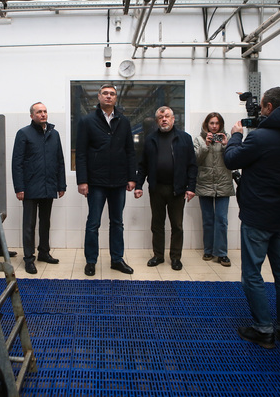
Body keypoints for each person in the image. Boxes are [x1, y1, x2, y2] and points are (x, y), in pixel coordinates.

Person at [224, 87, 280, 349]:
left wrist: (236, 136)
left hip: (258, 216)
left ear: (269, 107)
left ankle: (263, 329)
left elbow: (231, 160)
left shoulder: (260, 137)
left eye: (262, 106)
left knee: (252, 274)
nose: (259, 110)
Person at [76, 83, 137, 276]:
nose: (108, 96)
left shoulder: (124, 121)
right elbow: (81, 153)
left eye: (112, 94)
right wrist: (82, 180)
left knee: (117, 222)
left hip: (119, 181)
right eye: (105, 93)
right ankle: (91, 261)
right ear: (99, 97)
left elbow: (130, 151)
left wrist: (132, 177)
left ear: (116, 98)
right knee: (93, 223)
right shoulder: (87, 121)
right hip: (96, 182)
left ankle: (117, 259)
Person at [134, 106, 197, 271]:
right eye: (161, 117)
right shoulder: (150, 139)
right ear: (157, 121)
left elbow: (192, 165)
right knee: (157, 225)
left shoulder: (184, 138)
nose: (164, 119)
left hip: (178, 189)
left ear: (173, 119)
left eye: (167, 116)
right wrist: (139, 185)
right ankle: (158, 256)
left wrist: (191, 187)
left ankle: (175, 258)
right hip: (156, 188)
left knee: (177, 225)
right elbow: (143, 165)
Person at [12, 102, 66, 274]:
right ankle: (29, 258)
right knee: (29, 225)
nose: (43, 114)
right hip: (29, 187)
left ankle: (44, 252)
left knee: (45, 222)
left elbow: (60, 160)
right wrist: (19, 187)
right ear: (32, 116)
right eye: (39, 112)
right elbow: (17, 163)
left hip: (49, 186)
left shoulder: (54, 134)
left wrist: (61, 185)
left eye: (45, 111)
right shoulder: (23, 133)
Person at [193, 112, 235, 267]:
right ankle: (208, 250)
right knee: (208, 220)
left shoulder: (227, 139)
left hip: (223, 184)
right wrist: (206, 145)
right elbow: (195, 160)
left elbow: (233, 160)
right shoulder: (199, 139)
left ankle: (222, 253)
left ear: (221, 125)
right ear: (206, 124)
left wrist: (225, 146)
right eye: (212, 123)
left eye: (217, 123)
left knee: (222, 220)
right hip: (205, 183)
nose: (214, 126)